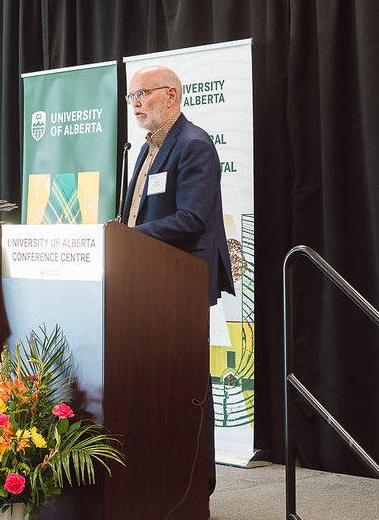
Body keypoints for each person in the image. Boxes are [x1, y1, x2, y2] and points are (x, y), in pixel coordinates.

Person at [122, 64, 235, 495]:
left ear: (171, 96)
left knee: (186, 384)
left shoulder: (193, 145)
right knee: (155, 382)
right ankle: (160, 477)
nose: (135, 103)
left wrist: (127, 238)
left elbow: (191, 219)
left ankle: (195, 485)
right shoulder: (148, 147)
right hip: (146, 279)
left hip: (179, 285)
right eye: (131, 97)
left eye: (143, 95)